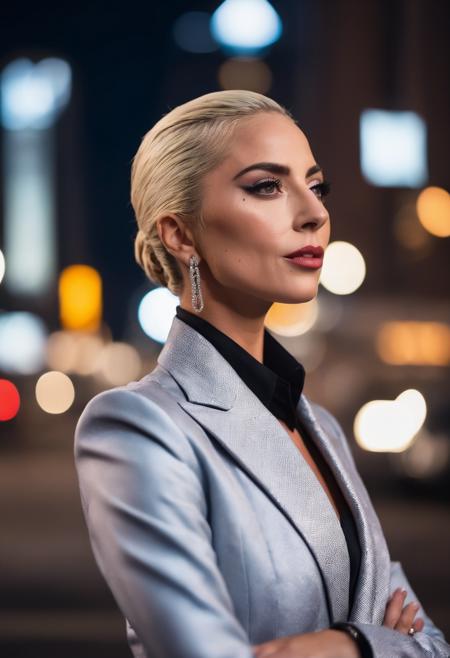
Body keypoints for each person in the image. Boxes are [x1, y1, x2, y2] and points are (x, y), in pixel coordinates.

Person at [74, 90, 450, 658]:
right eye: (267, 186)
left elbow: (433, 643)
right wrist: (371, 642)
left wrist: (342, 647)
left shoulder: (319, 425)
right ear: (180, 234)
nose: (315, 213)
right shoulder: (136, 425)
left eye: (315, 185)